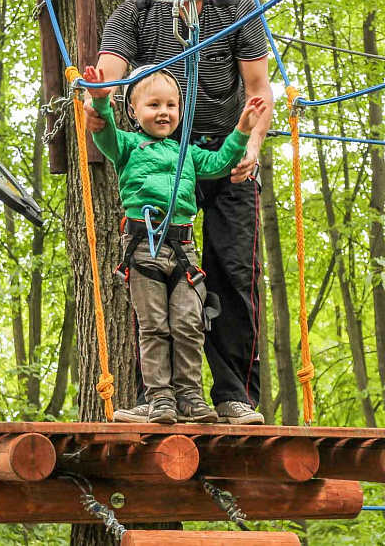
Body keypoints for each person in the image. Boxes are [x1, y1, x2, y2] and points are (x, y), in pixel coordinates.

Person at [84, 0, 273, 425]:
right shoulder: (135, 12)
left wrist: (251, 146)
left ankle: (234, 396)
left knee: (234, 273)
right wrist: (99, 100)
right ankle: (157, 399)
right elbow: (109, 76)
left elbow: (259, 90)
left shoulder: (236, 8)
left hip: (225, 155)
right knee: (152, 276)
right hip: (161, 162)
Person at [83, 64, 266, 423]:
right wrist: (102, 102)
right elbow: (104, 136)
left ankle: (189, 396)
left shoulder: (188, 153)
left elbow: (220, 163)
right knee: (153, 326)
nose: (164, 113)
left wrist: (242, 129)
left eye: (171, 105)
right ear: (133, 110)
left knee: (188, 323)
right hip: (144, 248)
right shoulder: (128, 146)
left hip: (183, 251)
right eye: (153, 105)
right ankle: (160, 398)